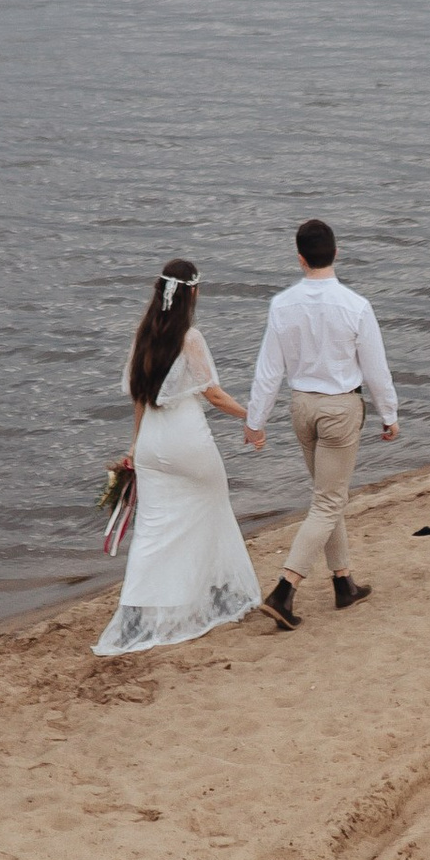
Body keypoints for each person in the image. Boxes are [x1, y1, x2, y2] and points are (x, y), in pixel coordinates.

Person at [95, 255, 267, 657]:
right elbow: (213, 394)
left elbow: (139, 398)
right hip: (188, 442)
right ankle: (220, 596)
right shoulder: (190, 337)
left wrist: (135, 448)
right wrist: (253, 417)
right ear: (194, 293)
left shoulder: (143, 336)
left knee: (153, 532)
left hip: (153, 444)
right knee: (212, 510)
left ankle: (134, 615)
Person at [242, 218, 397, 625]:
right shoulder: (356, 306)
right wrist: (389, 414)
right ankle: (284, 589)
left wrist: (256, 420)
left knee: (329, 496)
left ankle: (344, 583)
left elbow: (268, 369)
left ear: (300, 259)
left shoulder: (282, 304)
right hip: (340, 410)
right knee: (329, 500)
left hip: (302, 408)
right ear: (336, 253)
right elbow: (376, 369)